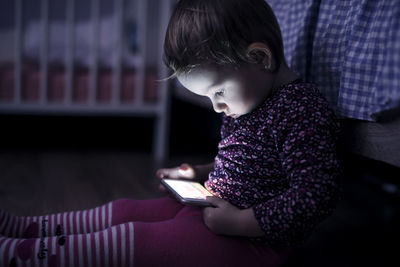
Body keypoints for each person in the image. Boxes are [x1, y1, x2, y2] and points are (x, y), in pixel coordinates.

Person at [0, 0, 341, 266]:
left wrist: (240, 223)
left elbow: (314, 195)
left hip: (253, 243)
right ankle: (30, 232)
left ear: (259, 57)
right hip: (217, 212)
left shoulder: (301, 109)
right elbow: (252, 165)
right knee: (125, 210)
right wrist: (200, 173)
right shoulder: (250, 99)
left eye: (217, 91)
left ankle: (23, 256)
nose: (216, 107)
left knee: (138, 239)